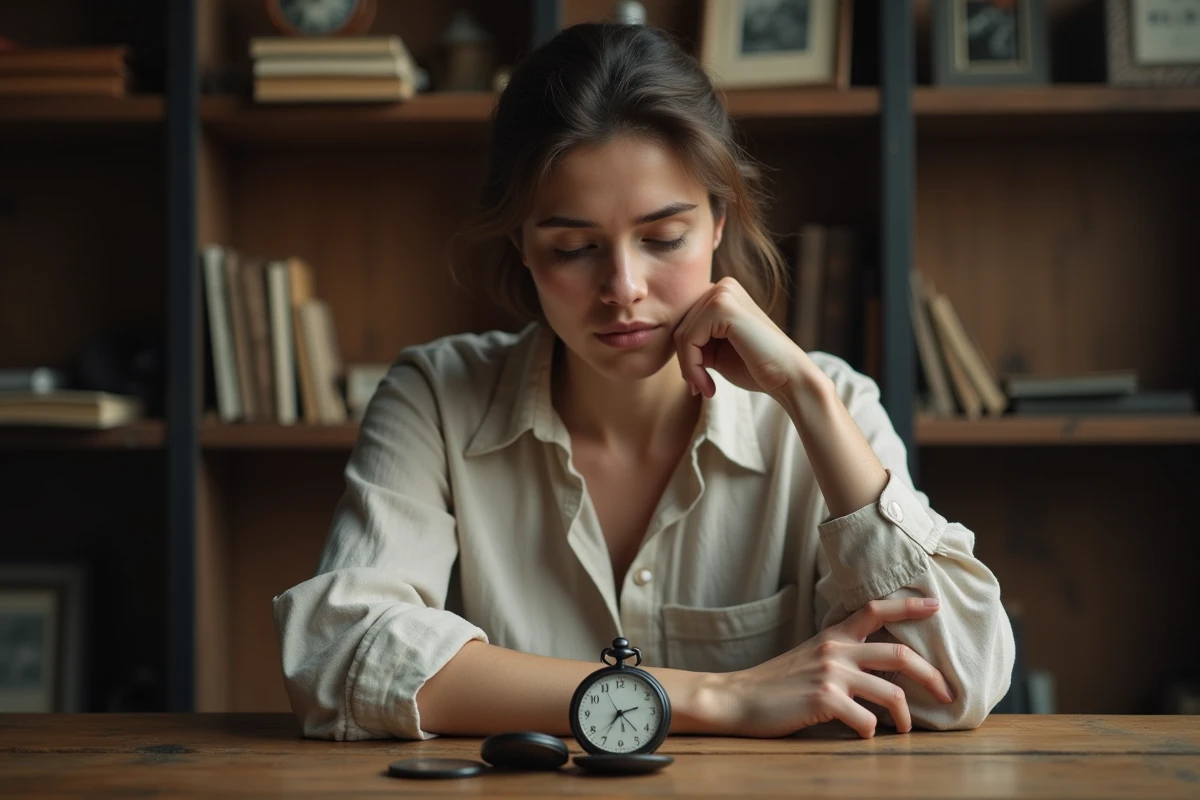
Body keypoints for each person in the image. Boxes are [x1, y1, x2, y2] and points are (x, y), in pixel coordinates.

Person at [273, 22, 1014, 742]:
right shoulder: (435, 396)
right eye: (573, 247)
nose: (623, 287)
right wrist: (715, 697)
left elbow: (955, 683)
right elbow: (341, 656)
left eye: (663, 239)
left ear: (719, 222)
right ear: (521, 246)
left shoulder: (834, 404)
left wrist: (803, 390)